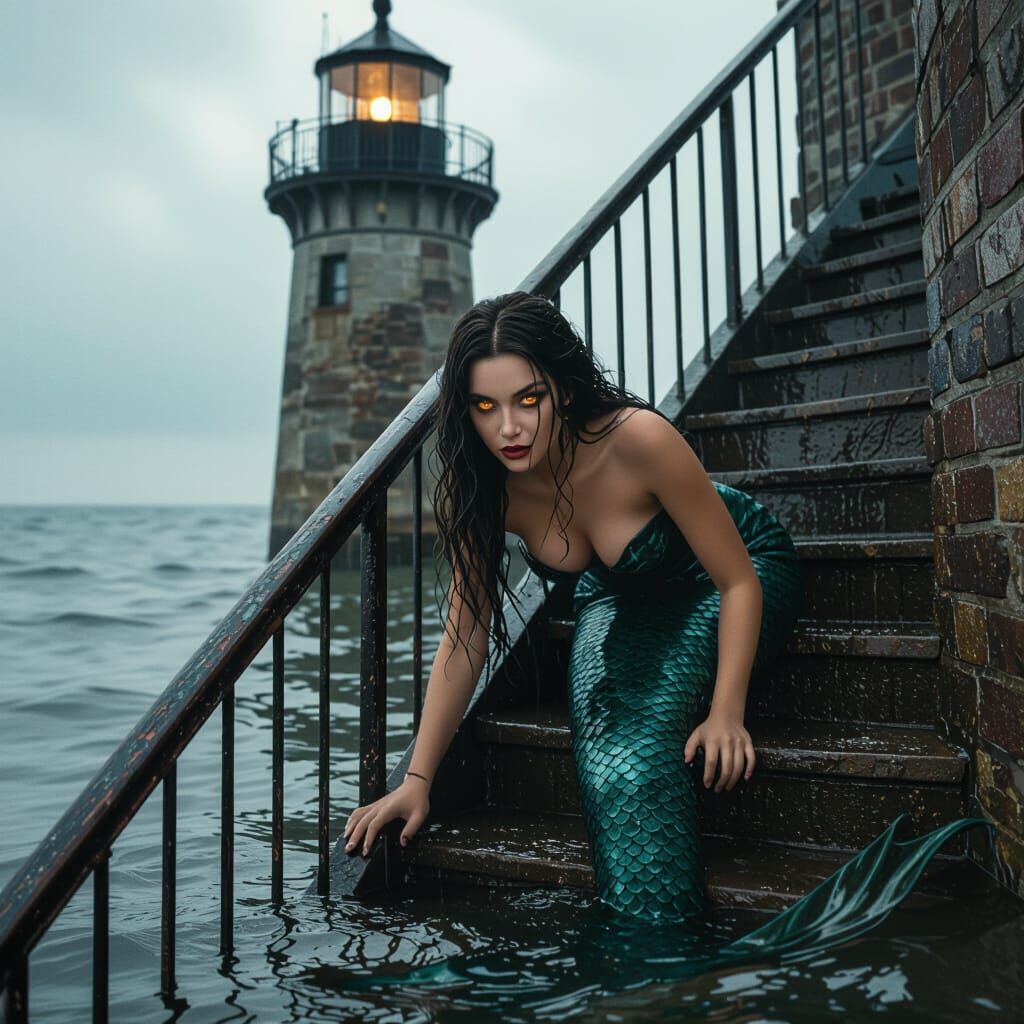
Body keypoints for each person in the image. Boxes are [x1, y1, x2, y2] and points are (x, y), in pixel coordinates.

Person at [341, 290, 991, 947]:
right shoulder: (486, 486)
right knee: (607, 735)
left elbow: (736, 580)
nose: (508, 428)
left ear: (562, 390)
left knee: (636, 749)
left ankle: (661, 955)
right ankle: (652, 949)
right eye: (486, 407)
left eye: (527, 400)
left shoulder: (639, 441)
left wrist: (725, 712)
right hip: (617, 596)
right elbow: (465, 634)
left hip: (734, 573)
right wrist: (417, 781)